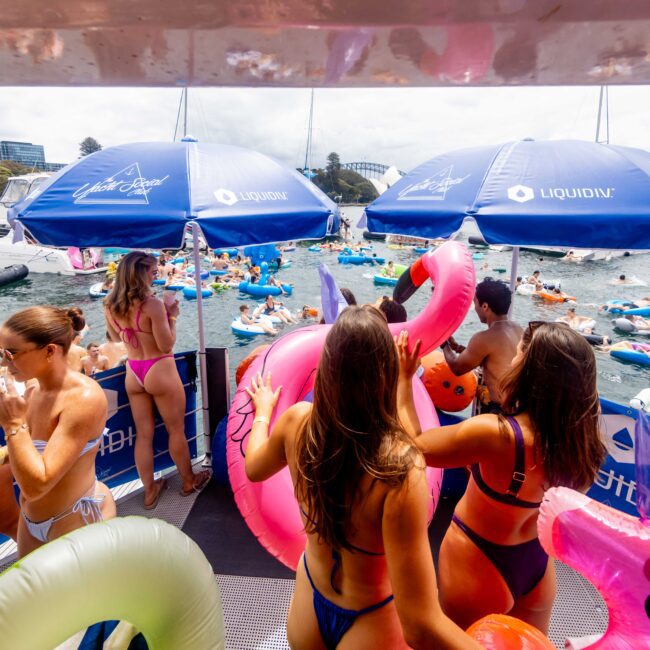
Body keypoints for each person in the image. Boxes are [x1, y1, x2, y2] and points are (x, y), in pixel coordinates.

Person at [244, 306, 478, 649]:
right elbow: (420, 625)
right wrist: (403, 381)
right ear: (384, 375)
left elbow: (253, 468)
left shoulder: (297, 424)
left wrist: (263, 413)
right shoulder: (399, 470)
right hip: (369, 620)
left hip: (310, 601)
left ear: (326, 369)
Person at [397, 322, 606, 633]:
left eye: (520, 351)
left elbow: (414, 446)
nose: (513, 358)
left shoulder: (494, 434)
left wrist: (403, 378)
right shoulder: (581, 447)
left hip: (479, 562)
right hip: (536, 565)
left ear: (533, 370)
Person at [0, 306, 117, 557]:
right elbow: (32, 452)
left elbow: (37, 485)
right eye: (1, 352)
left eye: (11, 353)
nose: (3, 361)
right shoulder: (33, 391)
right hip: (31, 522)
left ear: (50, 351)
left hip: (73, 520)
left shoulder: (84, 399)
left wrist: (12, 425)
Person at [104, 252, 210, 509]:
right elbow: (166, 345)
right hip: (159, 369)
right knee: (176, 430)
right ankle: (188, 480)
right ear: (139, 272)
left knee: (143, 435)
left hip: (134, 371)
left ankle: (150, 491)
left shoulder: (109, 304)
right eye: (152, 270)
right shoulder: (152, 305)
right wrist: (172, 315)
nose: (157, 273)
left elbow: (115, 339)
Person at [442, 278, 523, 412]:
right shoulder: (518, 329)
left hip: (503, 411)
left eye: (475, 303)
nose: (474, 308)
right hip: (521, 407)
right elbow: (495, 358)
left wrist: (443, 343)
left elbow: (457, 368)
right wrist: (458, 348)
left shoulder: (485, 338)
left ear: (485, 306)